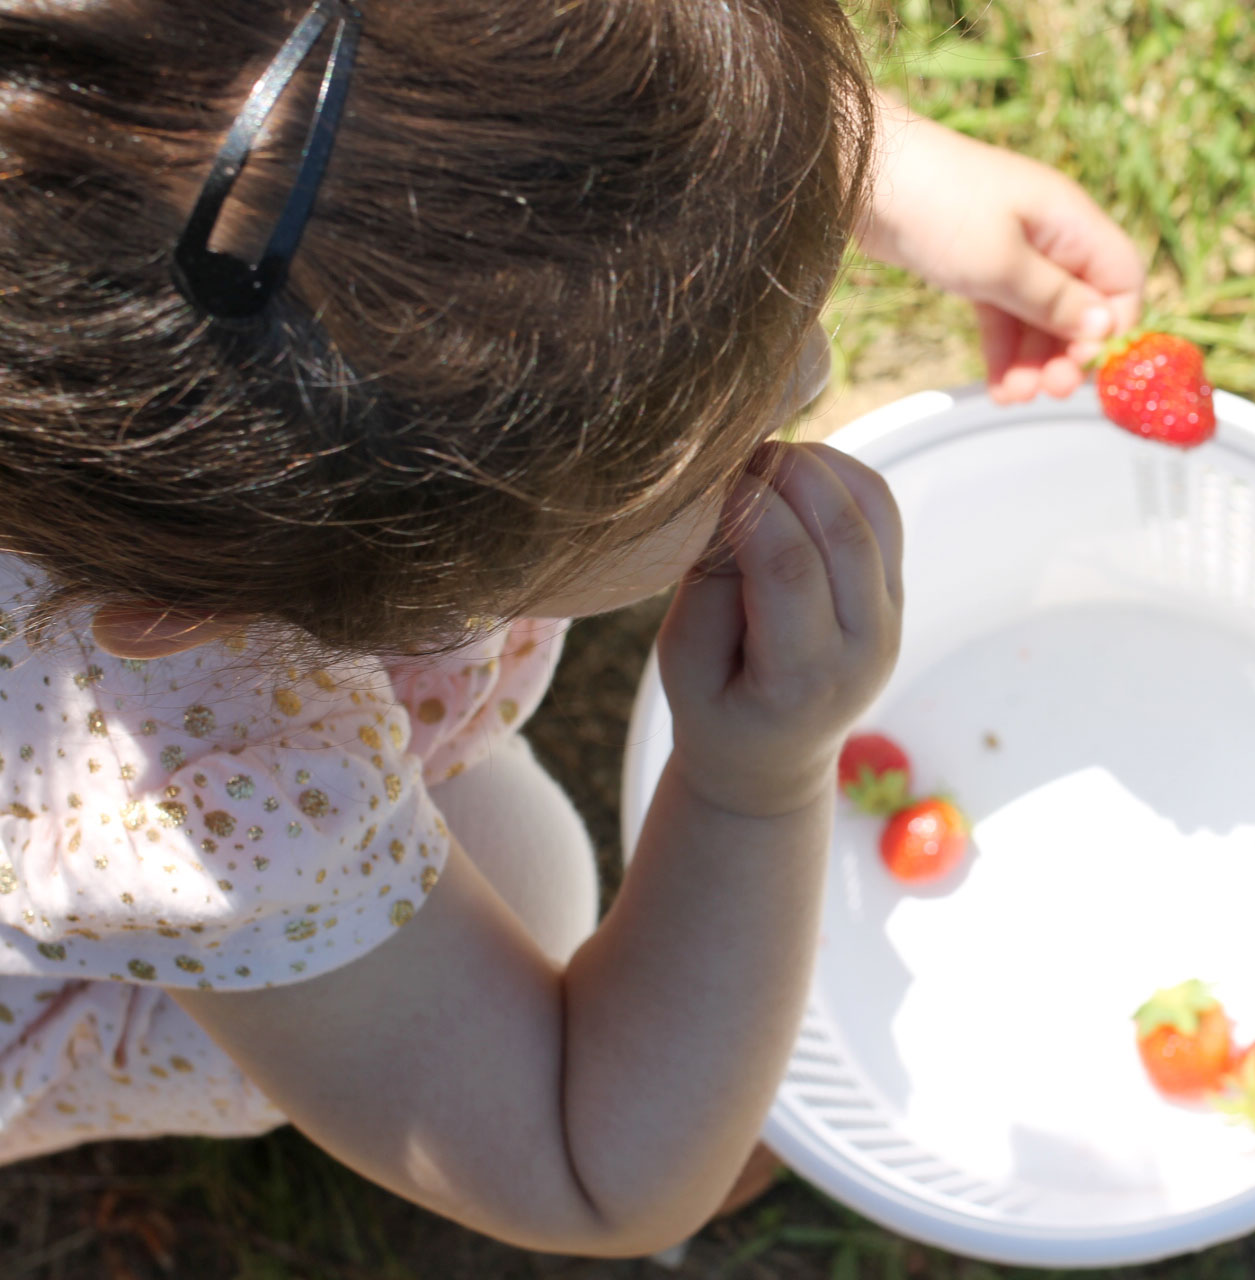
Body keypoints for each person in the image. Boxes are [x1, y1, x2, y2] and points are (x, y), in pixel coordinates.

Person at [0, 0, 1144, 1256]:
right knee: (535, 887)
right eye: (693, 452)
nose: (808, 369)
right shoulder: (201, 769)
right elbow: (588, 1164)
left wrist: (852, 155)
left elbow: (404, 112)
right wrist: (755, 783)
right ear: (230, 612)